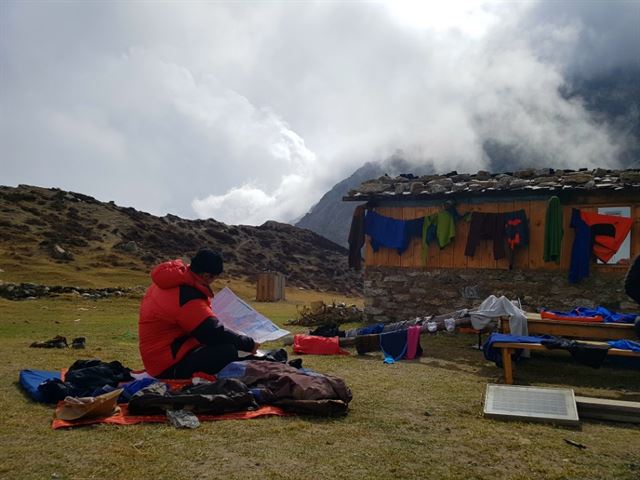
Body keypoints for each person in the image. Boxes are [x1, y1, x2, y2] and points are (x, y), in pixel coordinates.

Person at [138, 248, 260, 378]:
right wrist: (249, 344)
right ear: (206, 276)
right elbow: (211, 333)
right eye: (214, 277)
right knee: (227, 351)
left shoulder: (173, 281)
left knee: (227, 345)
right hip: (168, 366)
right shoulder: (186, 295)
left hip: (159, 357)